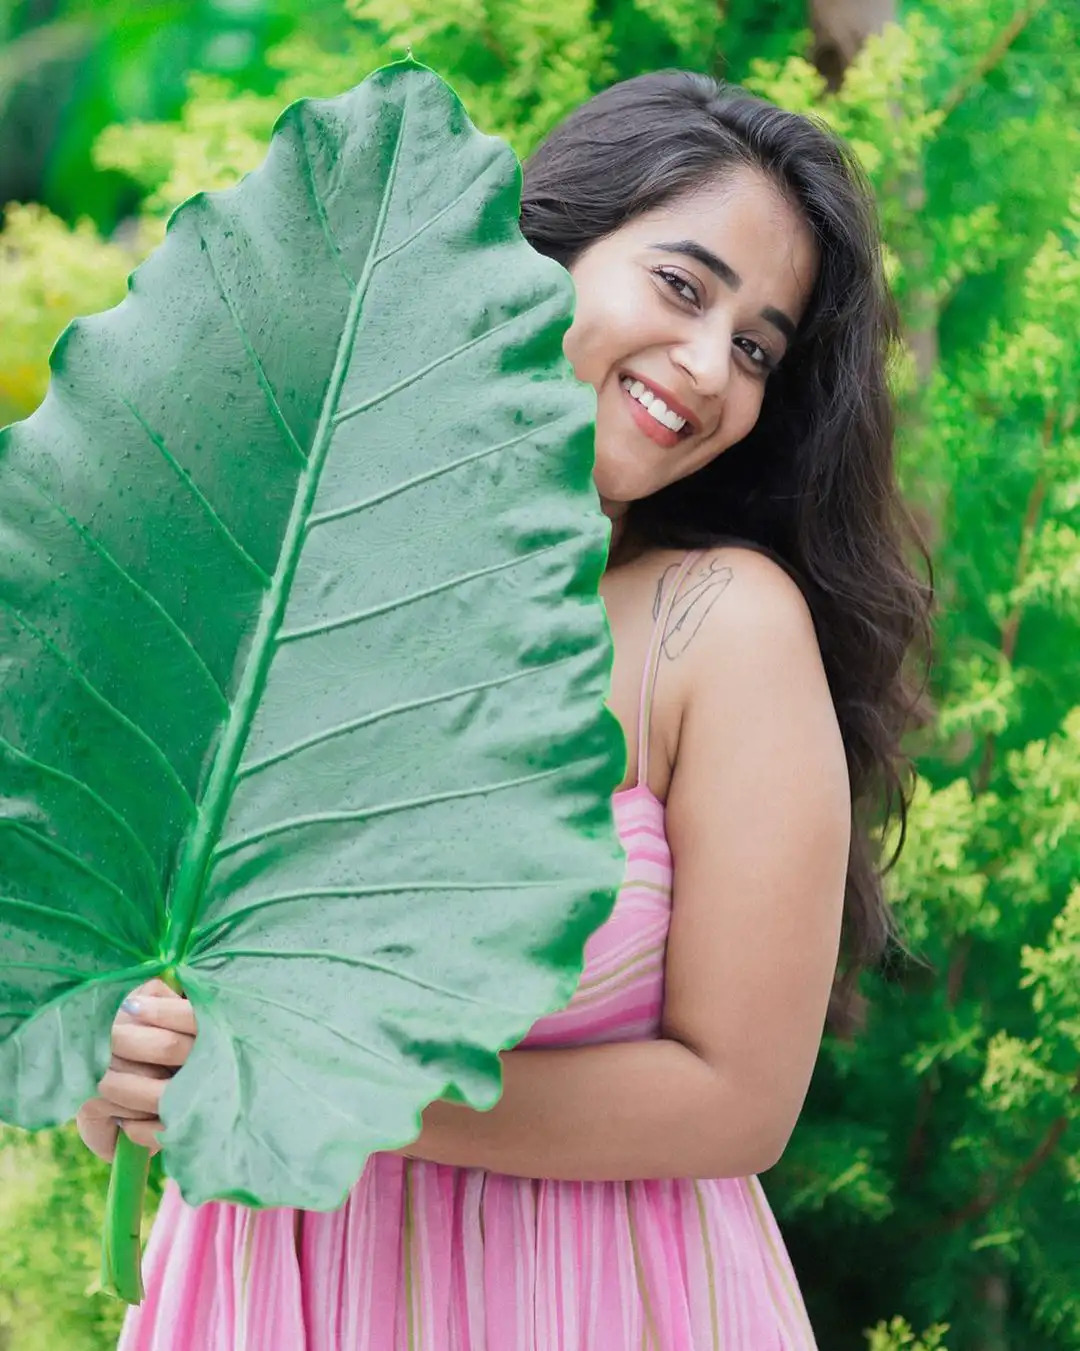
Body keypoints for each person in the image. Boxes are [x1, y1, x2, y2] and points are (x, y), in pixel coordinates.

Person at [77, 70, 931, 1350]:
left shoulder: (719, 626)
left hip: (587, 1303)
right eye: (683, 288)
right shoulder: (277, 581)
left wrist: (333, 1088)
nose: (708, 367)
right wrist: (129, 1073)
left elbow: (737, 1100)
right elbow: (139, 1018)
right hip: (269, 1296)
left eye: (756, 346)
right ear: (542, 251)